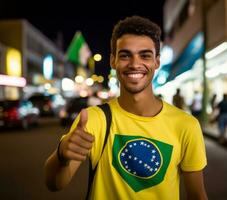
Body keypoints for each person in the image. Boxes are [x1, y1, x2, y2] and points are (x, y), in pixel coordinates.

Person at [44, 16, 208, 200]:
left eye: (145, 55)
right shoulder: (93, 120)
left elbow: (197, 195)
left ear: (157, 62)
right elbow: (55, 184)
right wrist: (62, 155)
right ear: (113, 61)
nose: (135, 64)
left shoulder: (186, 125)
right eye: (125, 55)